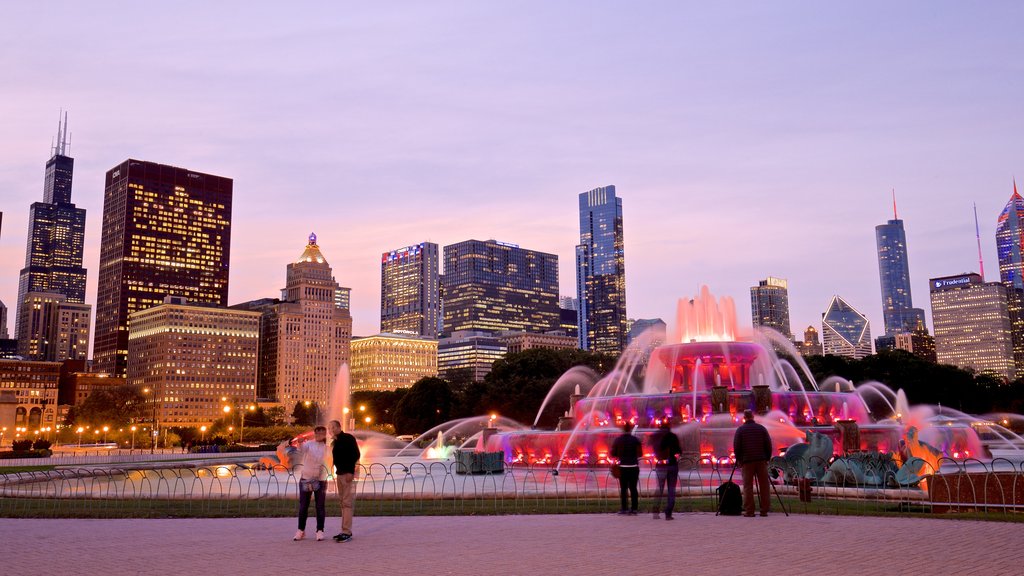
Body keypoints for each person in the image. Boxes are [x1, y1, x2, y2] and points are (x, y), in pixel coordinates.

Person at [732, 409, 773, 517]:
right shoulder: (761, 429)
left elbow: (737, 447)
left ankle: (749, 511)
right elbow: (768, 444)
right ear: (753, 416)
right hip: (761, 460)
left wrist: (739, 459)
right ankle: (764, 510)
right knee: (764, 485)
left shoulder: (740, 430)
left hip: (747, 461)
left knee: (748, 486)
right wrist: (767, 458)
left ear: (744, 417)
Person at [293, 426, 329, 541]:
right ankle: (300, 530)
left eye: (322, 433)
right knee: (303, 506)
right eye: (318, 433)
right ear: (315, 434)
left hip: (321, 480)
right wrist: (300, 443)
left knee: (320, 506)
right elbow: (301, 450)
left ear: (325, 434)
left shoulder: (327, 447)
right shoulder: (309, 444)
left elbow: (329, 461)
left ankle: (320, 530)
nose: (320, 435)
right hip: (306, 478)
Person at [328, 419, 360, 543]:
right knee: (342, 502)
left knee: (347, 503)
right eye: (329, 428)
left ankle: (347, 531)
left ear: (338, 427)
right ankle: (344, 530)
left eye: (332, 428)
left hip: (346, 474)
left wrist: (350, 472)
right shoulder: (335, 441)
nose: (330, 430)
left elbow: (355, 454)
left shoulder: (348, 438)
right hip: (339, 474)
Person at [649, 419, 682, 520]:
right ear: (669, 426)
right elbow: (679, 450)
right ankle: (668, 513)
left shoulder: (655, 436)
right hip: (672, 465)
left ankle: (656, 511)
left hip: (661, 465)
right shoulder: (673, 436)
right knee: (671, 489)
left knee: (660, 488)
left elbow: (655, 448)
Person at [610, 421, 642, 515]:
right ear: (631, 429)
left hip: (623, 467)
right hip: (633, 466)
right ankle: (634, 509)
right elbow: (640, 453)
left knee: (623, 488)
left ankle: (624, 508)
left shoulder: (618, 440)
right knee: (633, 488)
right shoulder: (635, 440)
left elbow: (613, 453)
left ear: (623, 429)